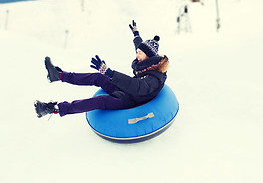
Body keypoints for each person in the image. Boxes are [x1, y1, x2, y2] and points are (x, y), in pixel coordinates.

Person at [34, 21, 169, 118]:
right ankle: (58, 75)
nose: (136, 55)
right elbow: (140, 47)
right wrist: (136, 34)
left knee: (99, 101)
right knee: (98, 77)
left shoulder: (155, 77)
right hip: (126, 90)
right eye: (137, 52)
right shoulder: (148, 61)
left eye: (139, 53)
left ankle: (53, 108)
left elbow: (137, 86)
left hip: (130, 100)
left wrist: (111, 73)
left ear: (148, 56)